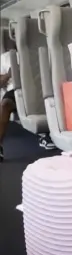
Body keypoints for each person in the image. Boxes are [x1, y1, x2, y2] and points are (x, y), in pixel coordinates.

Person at [0, 31, 19, 162]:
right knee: (5, 104)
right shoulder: (5, 57)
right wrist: (9, 74)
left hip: (36, 88)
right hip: (14, 90)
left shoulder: (38, 53)